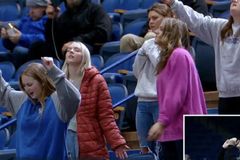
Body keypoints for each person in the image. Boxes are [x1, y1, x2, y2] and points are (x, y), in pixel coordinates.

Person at [161, 0, 240, 114]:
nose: (234, 0)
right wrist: (174, 3)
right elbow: (196, 21)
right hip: (226, 97)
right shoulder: (220, 27)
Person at [148, 18, 207, 160]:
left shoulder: (179, 55)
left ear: (171, 33)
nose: (156, 31)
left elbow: (176, 94)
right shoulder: (171, 57)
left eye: (161, 29)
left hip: (182, 130)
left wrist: (162, 121)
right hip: (174, 130)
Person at [0, 56, 80, 159]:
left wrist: (54, 71)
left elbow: (75, 98)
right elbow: (4, 92)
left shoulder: (58, 100)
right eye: (24, 86)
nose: (26, 89)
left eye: (29, 84)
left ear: (42, 81)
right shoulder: (23, 99)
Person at [62, 41, 129, 159]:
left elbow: (106, 115)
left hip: (87, 139)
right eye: (68, 50)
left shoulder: (96, 80)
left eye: (76, 50)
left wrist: (117, 142)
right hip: (62, 137)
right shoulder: (59, 81)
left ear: (85, 56)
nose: (71, 51)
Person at [29, 0, 112, 60]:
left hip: (87, 47)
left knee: (74, 50)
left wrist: (76, 41)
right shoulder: (65, 16)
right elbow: (53, 41)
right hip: (65, 49)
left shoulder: (96, 10)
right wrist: (51, 20)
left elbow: (103, 33)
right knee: (36, 47)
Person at [0, 0, 48, 68]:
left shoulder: (48, 21)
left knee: (19, 50)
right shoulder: (25, 20)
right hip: (17, 54)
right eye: (30, 8)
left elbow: (43, 38)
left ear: (44, 8)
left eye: (35, 8)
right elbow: (10, 46)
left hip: (33, 55)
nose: (31, 11)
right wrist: (7, 38)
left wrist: (21, 37)